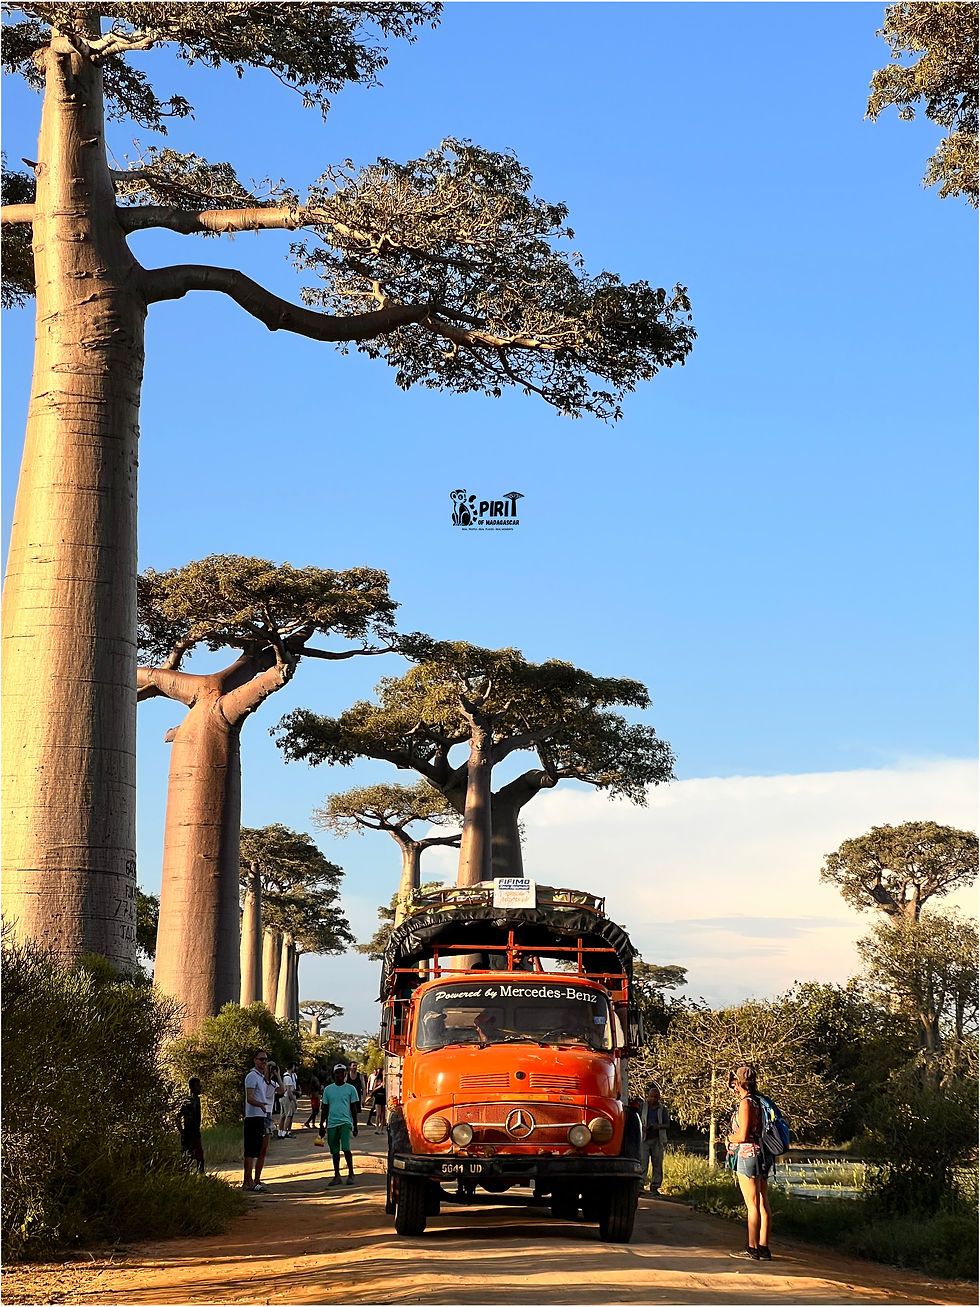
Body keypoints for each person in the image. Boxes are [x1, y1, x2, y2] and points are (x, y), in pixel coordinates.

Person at [725, 1063, 773, 1260]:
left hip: (747, 1156)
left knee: (752, 1205)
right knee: (763, 1202)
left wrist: (729, 1139)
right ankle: (764, 1246)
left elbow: (743, 1134)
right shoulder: (759, 1102)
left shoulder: (746, 1104)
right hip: (761, 1154)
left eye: (734, 1083)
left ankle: (752, 1248)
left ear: (739, 1083)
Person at [315, 1063, 360, 1187]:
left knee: (346, 1148)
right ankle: (337, 1176)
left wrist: (355, 1126)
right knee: (334, 1151)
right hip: (332, 1124)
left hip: (345, 1123)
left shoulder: (351, 1089)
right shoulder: (328, 1090)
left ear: (345, 1074)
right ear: (334, 1074)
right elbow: (324, 1108)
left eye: (342, 1072)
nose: (340, 1075)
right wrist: (321, 1125)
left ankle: (351, 1174)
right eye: (337, 1073)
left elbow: (353, 1109)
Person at [243, 1050, 271, 1192]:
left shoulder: (260, 1077)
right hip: (253, 1117)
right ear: (255, 1060)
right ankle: (247, 1181)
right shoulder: (252, 1076)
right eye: (261, 1059)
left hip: (259, 1116)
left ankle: (252, 1181)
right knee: (250, 1151)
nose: (263, 1062)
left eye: (265, 1059)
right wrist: (260, 1105)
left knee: (256, 1150)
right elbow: (250, 1097)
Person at [642, 1083, 670, 1193]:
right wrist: (642, 1127)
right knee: (643, 1163)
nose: (653, 1099)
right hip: (644, 1138)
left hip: (657, 1139)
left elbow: (667, 1124)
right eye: (651, 1096)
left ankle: (655, 1186)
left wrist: (658, 1126)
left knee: (657, 1164)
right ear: (648, 1096)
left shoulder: (662, 1109)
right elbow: (637, 1120)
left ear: (659, 1098)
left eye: (655, 1097)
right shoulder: (642, 1107)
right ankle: (640, 1185)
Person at [178, 1077, 205, 1173]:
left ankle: (198, 1175)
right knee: (194, 1155)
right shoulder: (189, 1101)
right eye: (198, 1086)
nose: (200, 1087)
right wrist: (182, 1130)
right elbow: (178, 1116)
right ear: (192, 1088)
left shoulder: (195, 1099)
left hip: (193, 1132)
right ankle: (197, 1175)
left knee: (196, 1155)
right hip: (190, 1132)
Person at [279, 1064, 298, 1137]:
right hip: (287, 1097)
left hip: (283, 1097)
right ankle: (285, 1132)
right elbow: (289, 1091)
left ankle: (280, 1132)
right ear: (292, 1067)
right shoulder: (288, 1078)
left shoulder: (285, 1076)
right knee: (289, 1115)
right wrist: (294, 1100)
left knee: (283, 1115)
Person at [367, 1066, 387, 1132]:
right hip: (378, 1097)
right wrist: (379, 1086)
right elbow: (373, 1089)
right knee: (378, 1113)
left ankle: (381, 1129)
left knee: (383, 1114)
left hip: (383, 1097)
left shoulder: (385, 1080)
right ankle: (377, 1128)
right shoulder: (377, 1079)